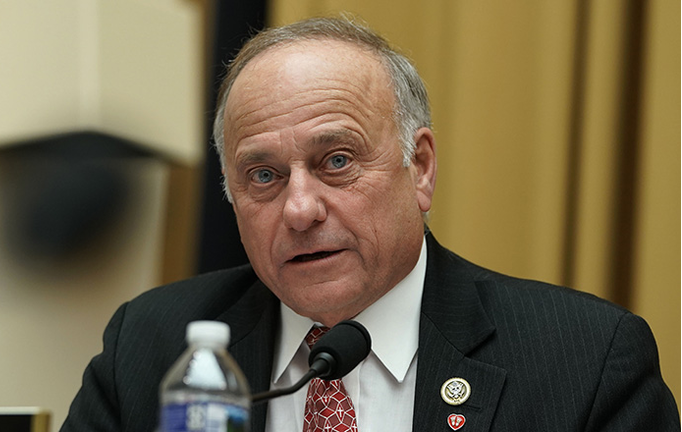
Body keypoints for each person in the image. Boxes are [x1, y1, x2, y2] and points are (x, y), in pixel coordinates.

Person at [61, 17, 679, 432]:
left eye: (337, 161)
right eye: (264, 176)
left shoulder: (585, 361)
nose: (300, 210)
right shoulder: (150, 347)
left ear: (421, 168)